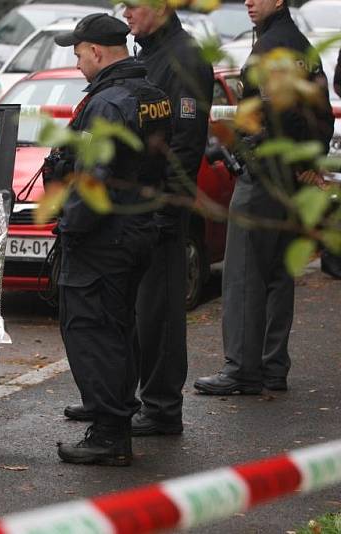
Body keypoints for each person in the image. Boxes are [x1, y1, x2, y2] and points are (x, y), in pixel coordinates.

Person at [62, 0, 213, 437]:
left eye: (136, 5)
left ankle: (162, 407)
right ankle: (118, 401)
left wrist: (161, 206)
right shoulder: (149, 57)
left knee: (159, 313)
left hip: (159, 209)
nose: (127, 13)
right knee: (129, 313)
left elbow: (183, 143)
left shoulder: (184, 58)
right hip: (138, 213)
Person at [47, 13, 172, 466]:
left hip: (103, 239)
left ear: (96, 52)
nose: (78, 63)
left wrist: (68, 228)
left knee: (91, 333)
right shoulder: (152, 94)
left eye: (78, 53)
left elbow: (92, 183)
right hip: (137, 230)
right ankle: (113, 421)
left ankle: (108, 433)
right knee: (118, 330)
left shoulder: (107, 103)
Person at [194, 0, 334, 394]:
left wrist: (249, 152)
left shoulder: (272, 47)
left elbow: (271, 116)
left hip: (263, 178)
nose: (249, 2)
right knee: (276, 275)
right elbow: (320, 113)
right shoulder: (300, 45)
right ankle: (273, 366)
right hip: (291, 179)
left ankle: (241, 369)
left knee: (242, 276)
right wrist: (307, 161)